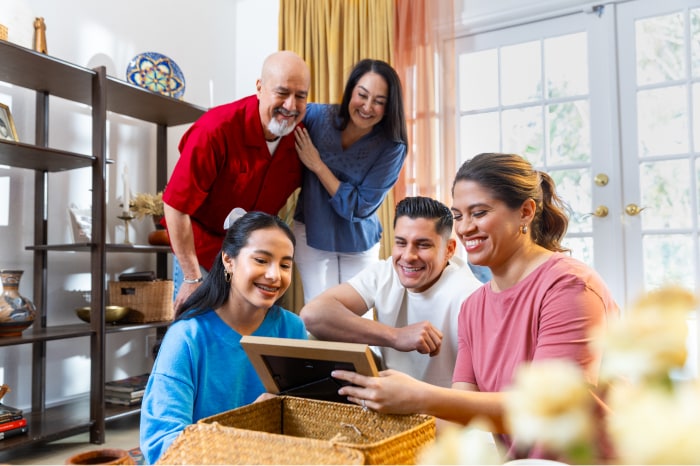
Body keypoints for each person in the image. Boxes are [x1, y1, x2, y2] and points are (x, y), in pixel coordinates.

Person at [331, 153, 619, 460]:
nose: (465, 228)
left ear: (525, 212)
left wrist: (420, 396)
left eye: (479, 213)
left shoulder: (569, 287)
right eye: (458, 216)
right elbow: (459, 415)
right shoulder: (474, 307)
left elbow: (548, 409)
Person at [140, 211, 307, 464]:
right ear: (229, 260)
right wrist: (248, 425)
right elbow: (161, 443)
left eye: (285, 265)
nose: (275, 275)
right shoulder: (187, 337)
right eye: (261, 260)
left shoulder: (292, 330)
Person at [163, 50, 311, 310]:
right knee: (199, 335)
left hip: (251, 260)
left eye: (300, 96)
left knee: (246, 342)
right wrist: (191, 277)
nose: (291, 105)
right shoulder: (215, 130)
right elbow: (175, 206)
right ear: (259, 87)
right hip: (202, 254)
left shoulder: (301, 139)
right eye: (282, 92)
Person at [300, 196, 481, 388]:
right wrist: (395, 336)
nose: (408, 257)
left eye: (423, 245)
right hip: (387, 402)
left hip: (441, 412)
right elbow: (313, 315)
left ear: (449, 249)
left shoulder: (470, 296)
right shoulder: (386, 271)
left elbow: (477, 393)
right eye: (401, 243)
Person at [292, 58, 408, 303]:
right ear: (351, 91)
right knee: (319, 312)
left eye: (379, 102)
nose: (367, 107)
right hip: (312, 231)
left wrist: (317, 165)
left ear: (388, 109)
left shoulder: (392, 147)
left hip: (358, 241)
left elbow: (360, 206)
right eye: (362, 95)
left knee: (356, 320)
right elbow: (278, 119)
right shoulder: (316, 116)